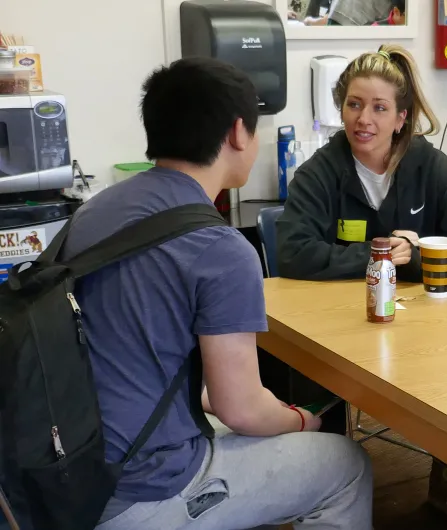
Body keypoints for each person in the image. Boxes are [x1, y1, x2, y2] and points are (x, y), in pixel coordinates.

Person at [70, 58, 372, 529]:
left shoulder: (97, 210)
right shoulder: (221, 250)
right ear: (237, 133)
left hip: (62, 473)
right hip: (137, 493)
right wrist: (299, 421)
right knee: (345, 464)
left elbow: (139, 358)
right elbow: (242, 409)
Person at [278, 44, 447, 282]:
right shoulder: (317, 174)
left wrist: (416, 257)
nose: (364, 119)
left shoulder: (432, 167)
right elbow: (292, 253)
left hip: (424, 310)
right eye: (354, 104)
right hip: (339, 309)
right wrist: (379, 254)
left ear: (400, 119)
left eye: (379, 108)